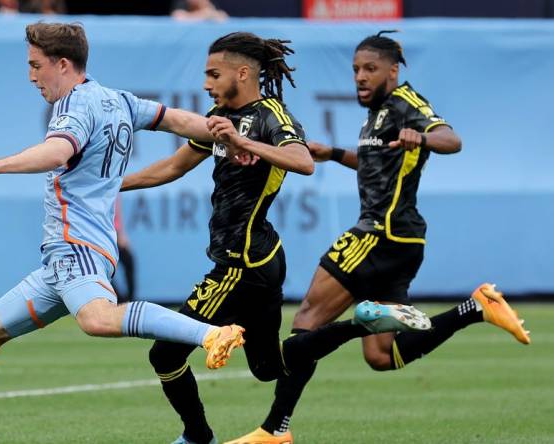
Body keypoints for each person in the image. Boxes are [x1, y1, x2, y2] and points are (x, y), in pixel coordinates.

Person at [0, 22, 249, 444]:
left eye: (35, 65)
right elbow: (177, 120)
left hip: (77, 247)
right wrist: (229, 135)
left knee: (96, 319)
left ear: (62, 63)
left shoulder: (75, 106)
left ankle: (210, 333)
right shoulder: (117, 100)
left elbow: (60, 149)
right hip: (64, 259)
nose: (31, 76)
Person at [121, 32, 429, 444]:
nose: (206, 83)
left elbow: (303, 162)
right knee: (271, 368)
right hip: (263, 259)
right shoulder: (219, 115)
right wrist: (111, 186)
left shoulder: (271, 116)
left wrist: (243, 142)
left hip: (240, 263)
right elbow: (173, 168)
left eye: (213, 74)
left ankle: (197, 436)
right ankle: (360, 323)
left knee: (164, 353)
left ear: (242, 73)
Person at [225, 31, 531, 444]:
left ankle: (275, 429)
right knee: (382, 356)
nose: (360, 77)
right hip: (403, 242)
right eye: (355, 70)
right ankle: (475, 308)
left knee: (308, 320)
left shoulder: (405, 103)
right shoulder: (378, 113)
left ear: (393, 70)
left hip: (378, 234)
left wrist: (422, 136)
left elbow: (451, 139)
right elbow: (373, 164)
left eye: (369, 69)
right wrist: (332, 153)